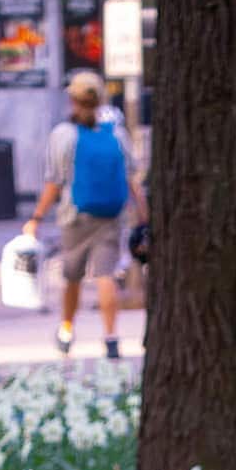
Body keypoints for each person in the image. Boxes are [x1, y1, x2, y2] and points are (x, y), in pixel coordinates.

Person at [24, 70, 146, 359]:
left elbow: (53, 182)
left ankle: (66, 330)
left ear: (72, 100)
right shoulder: (116, 134)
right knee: (105, 275)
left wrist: (36, 218)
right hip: (111, 215)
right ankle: (111, 337)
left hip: (74, 216)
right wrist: (144, 214)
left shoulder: (63, 135)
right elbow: (132, 179)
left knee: (73, 276)